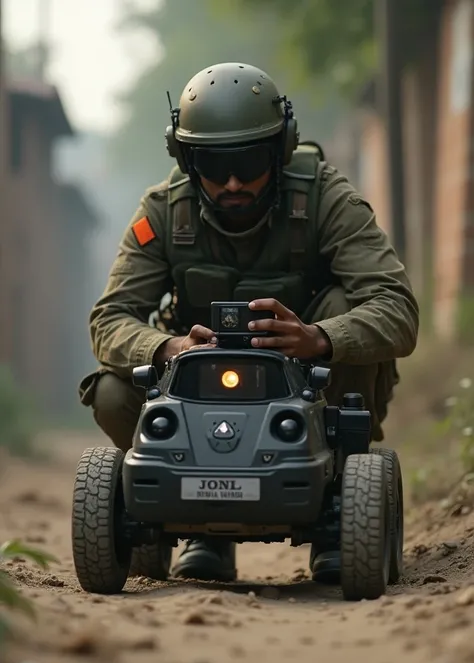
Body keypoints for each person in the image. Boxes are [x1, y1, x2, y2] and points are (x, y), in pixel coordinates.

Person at [79, 62, 419, 584]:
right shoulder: (164, 211)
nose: (233, 181)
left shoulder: (326, 197)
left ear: (279, 151)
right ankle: (196, 526)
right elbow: (109, 318)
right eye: (215, 165)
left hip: (306, 384)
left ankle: (335, 515)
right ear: (187, 159)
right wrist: (166, 347)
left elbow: (396, 306)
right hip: (196, 387)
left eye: (250, 161)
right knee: (110, 392)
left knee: (342, 305)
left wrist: (319, 338)